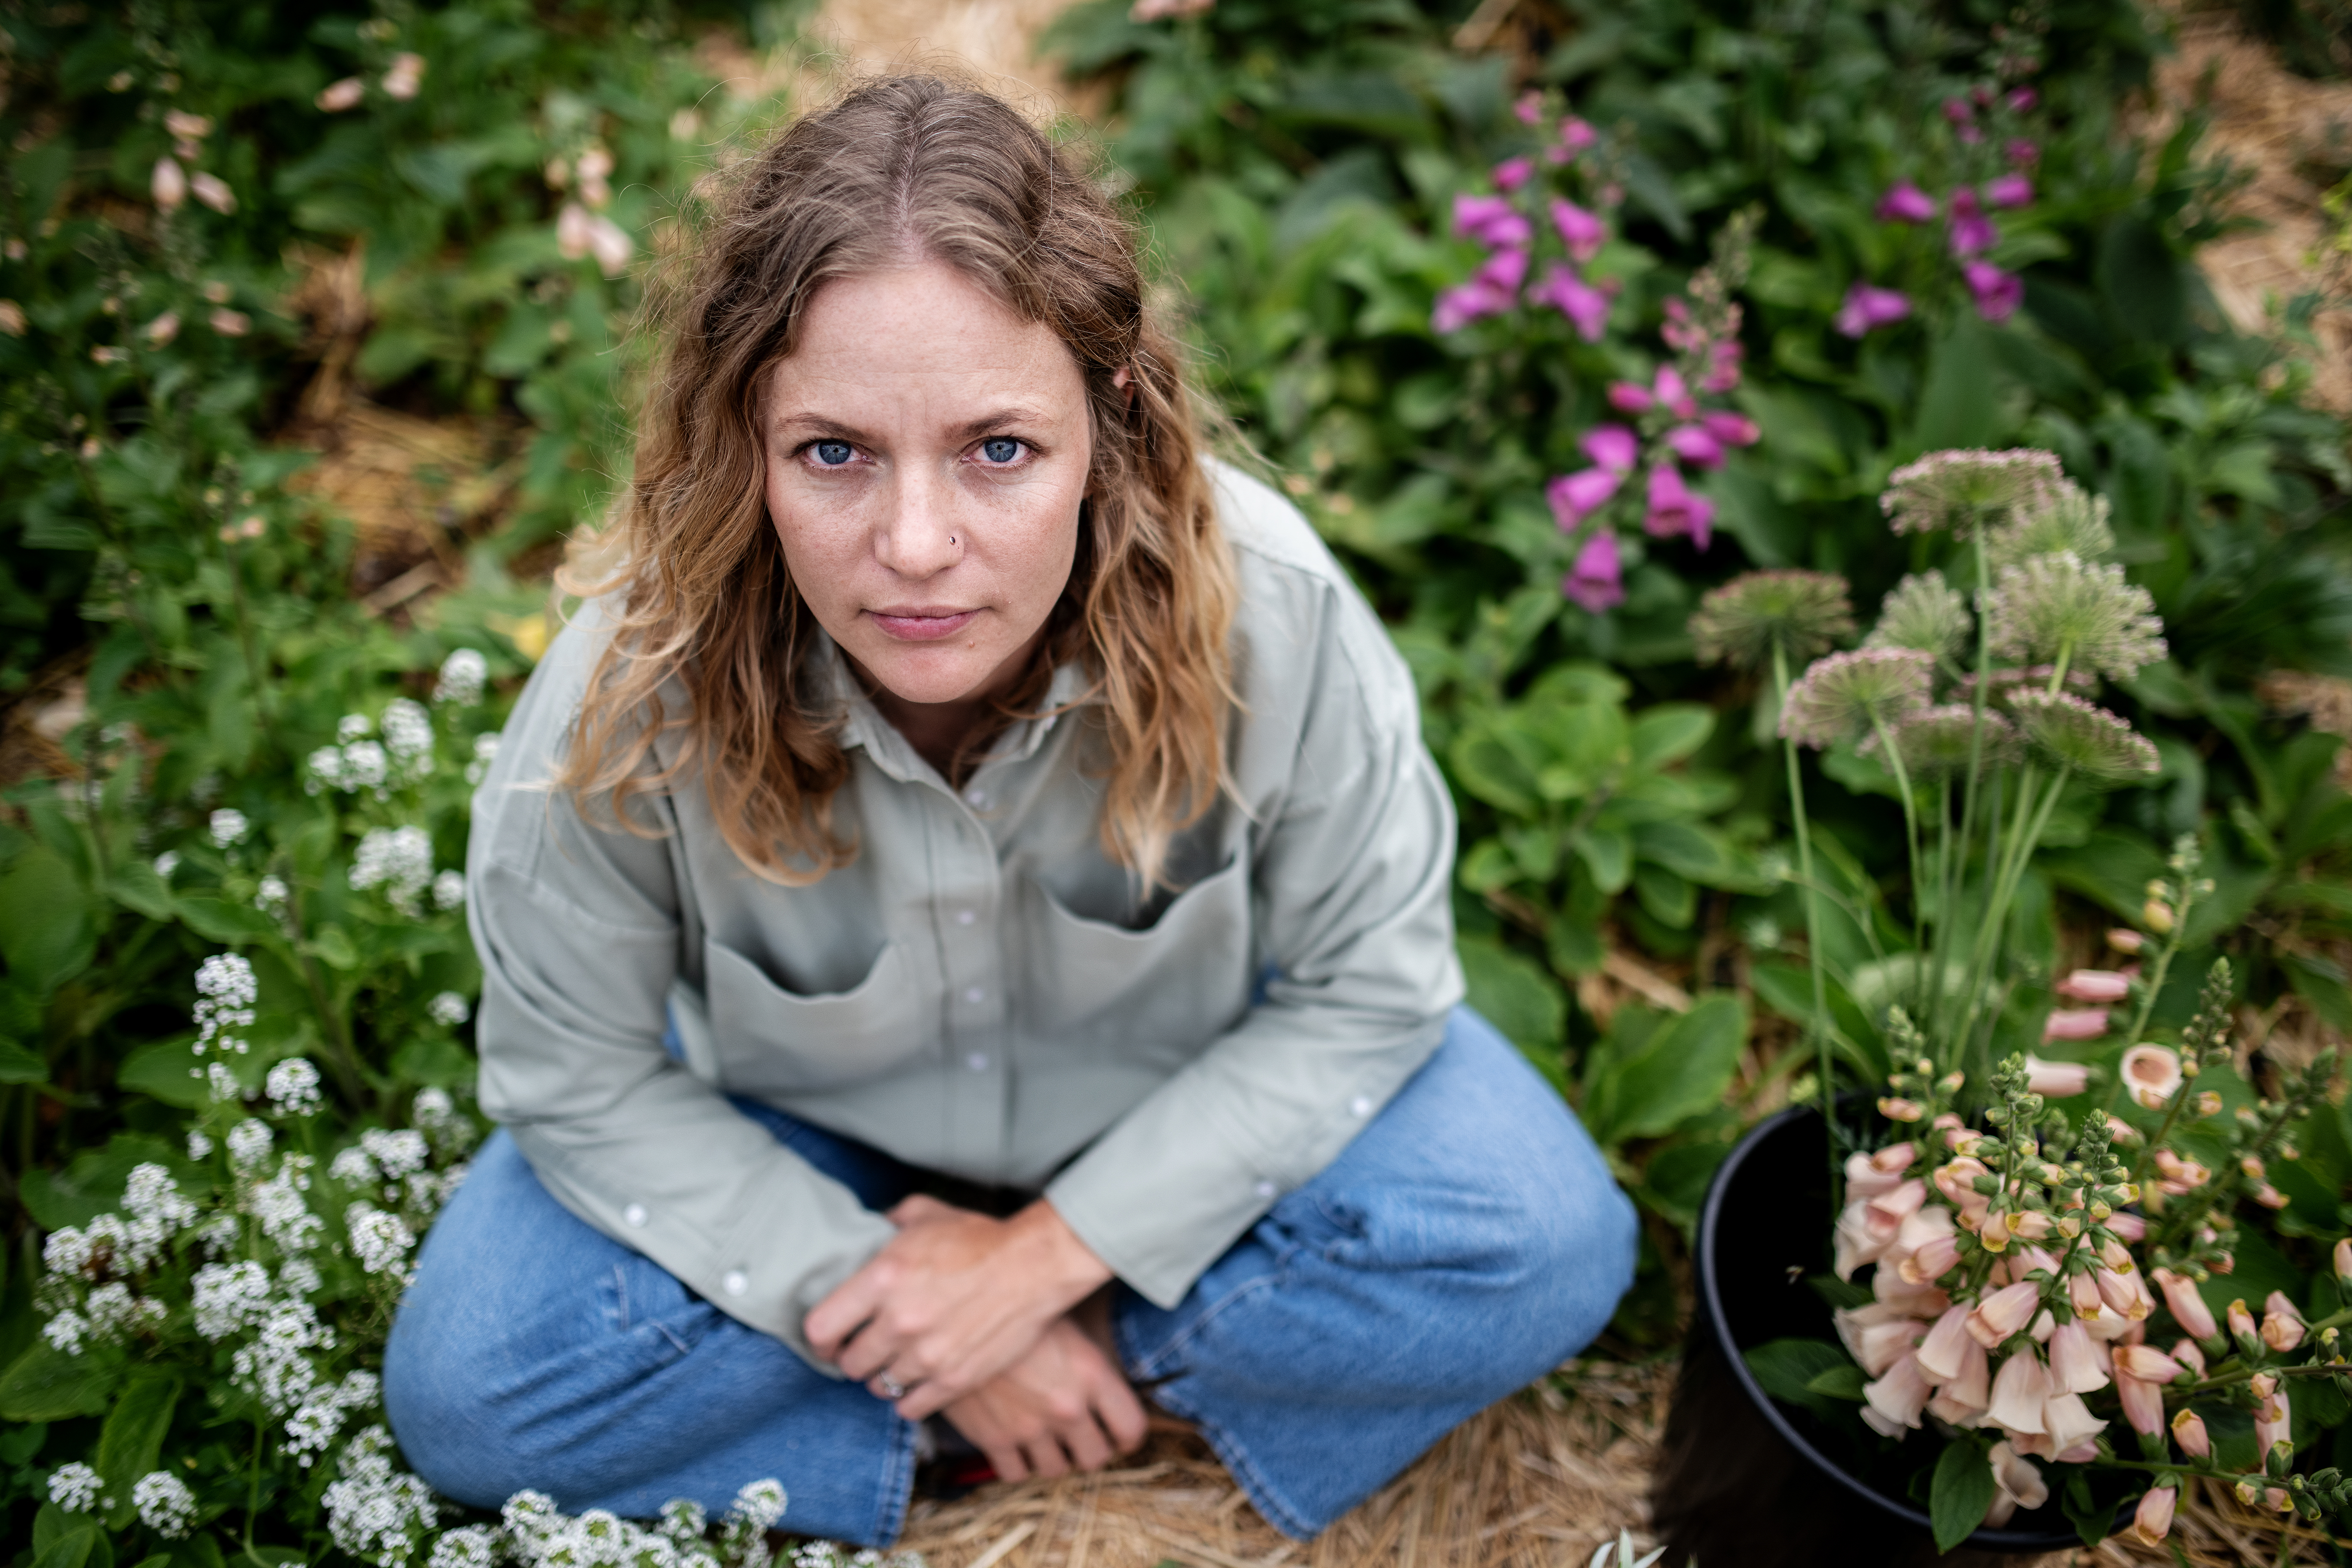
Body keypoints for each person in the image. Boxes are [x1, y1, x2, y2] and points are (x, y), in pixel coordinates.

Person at [382, 74, 1636, 1548]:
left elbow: (1373, 991)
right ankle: (1017, 1397)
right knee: (472, 1393)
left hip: (1169, 1114)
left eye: (999, 449)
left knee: (1545, 1242)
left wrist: (1046, 1266)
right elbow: (575, 1075)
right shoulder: (630, 684)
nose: (916, 548)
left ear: (1107, 415)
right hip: (802, 1141)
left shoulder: (1272, 615)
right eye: (834, 452)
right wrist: (869, 1283)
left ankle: (1091, 1359)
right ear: (749, 440)